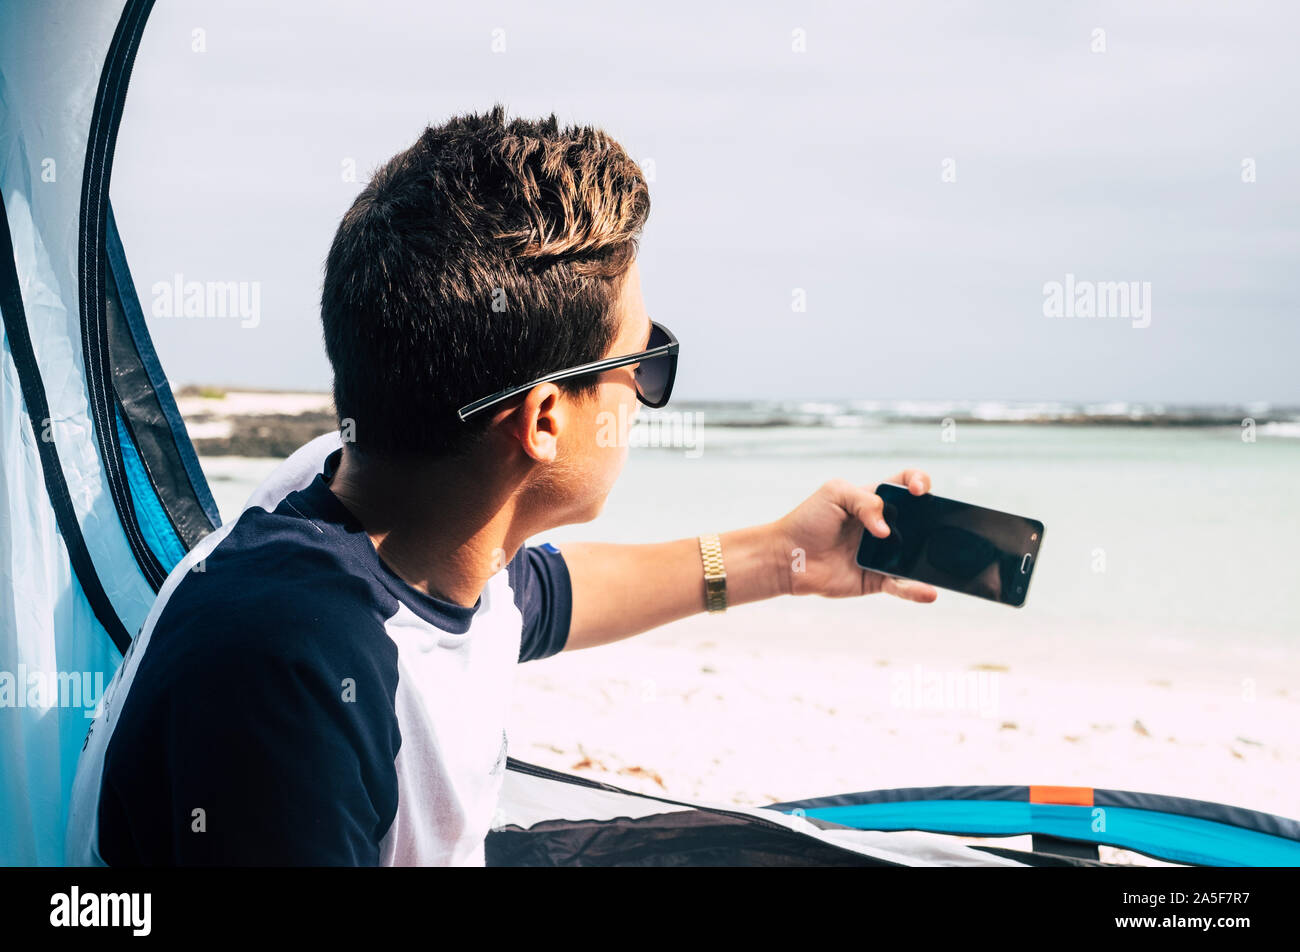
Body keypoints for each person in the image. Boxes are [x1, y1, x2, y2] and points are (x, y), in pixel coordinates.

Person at [65, 104, 936, 866]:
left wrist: (783, 559)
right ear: (547, 419)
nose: (647, 396)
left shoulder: (378, 496)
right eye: (646, 360)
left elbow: (533, 596)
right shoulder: (288, 673)